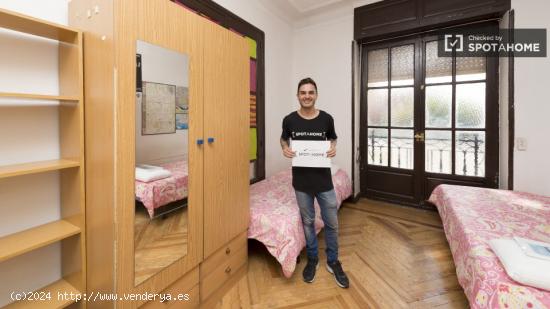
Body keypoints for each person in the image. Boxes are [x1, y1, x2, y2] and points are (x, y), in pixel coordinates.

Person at [280, 77, 349, 288]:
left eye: (311, 92)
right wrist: (284, 148)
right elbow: (284, 138)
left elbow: (333, 138)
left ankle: (333, 261)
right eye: (303, 92)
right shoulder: (289, 120)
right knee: (308, 223)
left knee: (331, 224)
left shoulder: (327, 119)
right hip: (301, 182)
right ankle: (312, 260)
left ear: (316, 95)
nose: (307, 96)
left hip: (324, 181)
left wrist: (333, 147)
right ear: (298, 95)